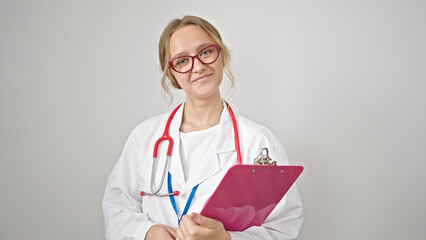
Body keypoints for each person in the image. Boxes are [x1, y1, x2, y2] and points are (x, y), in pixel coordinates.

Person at [102, 15, 303, 240]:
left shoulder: (258, 142)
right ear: (172, 75)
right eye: (182, 61)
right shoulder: (144, 138)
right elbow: (116, 208)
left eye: (205, 52)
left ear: (221, 56)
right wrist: (147, 232)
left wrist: (226, 239)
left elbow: (283, 228)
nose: (197, 66)